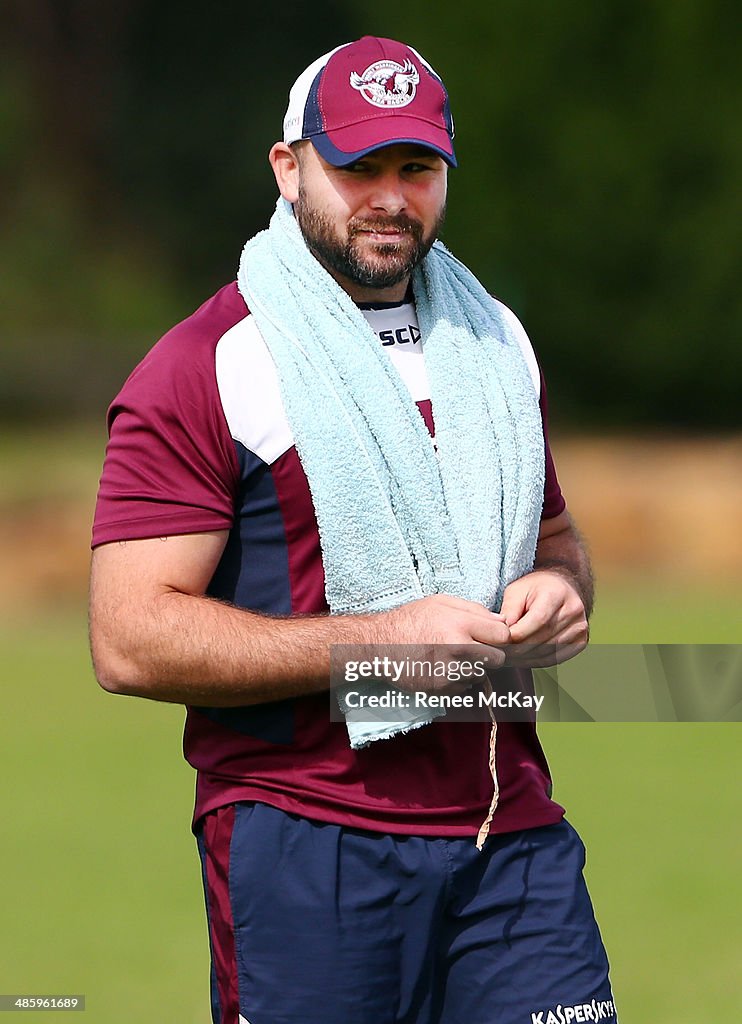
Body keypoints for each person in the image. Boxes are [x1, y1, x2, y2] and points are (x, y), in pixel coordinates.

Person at [89, 35, 617, 1024]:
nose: (389, 194)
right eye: (357, 166)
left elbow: (554, 536)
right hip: (307, 842)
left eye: (415, 167)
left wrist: (561, 591)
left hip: (509, 830)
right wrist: (380, 640)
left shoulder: (493, 338)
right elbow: (126, 636)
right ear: (289, 170)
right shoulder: (207, 363)